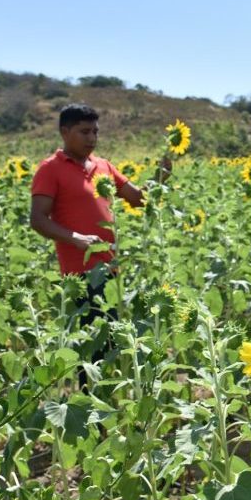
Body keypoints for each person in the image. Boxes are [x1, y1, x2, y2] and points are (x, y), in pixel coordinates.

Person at [28, 103, 157, 386]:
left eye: (95, 131)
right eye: (84, 131)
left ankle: (116, 406)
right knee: (91, 349)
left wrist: (160, 178)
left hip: (112, 271)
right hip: (80, 273)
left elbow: (137, 199)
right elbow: (38, 219)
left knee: (118, 342)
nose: (92, 138)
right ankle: (91, 412)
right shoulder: (50, 169)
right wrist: (77, 238)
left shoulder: (103, 166)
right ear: (64, 132)